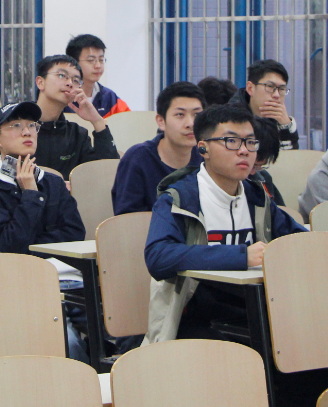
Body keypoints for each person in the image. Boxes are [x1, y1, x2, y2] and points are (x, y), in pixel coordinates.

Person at [144, 103, 307, 341]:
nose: (244, 151)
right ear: (203, 148)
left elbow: (299, 240)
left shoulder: (256, 197)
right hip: (197, 319)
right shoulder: (179, 199)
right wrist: (241, 256)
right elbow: (158, 256)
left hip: (258, 310)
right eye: (231, 141)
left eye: (250, 142)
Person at [0, 101, 88, 361]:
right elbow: (8, 248)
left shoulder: (52, 182)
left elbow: (74, 234)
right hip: (24, 287)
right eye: (16, 126)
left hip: (73, 283)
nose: (27, 132)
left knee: (122, 332)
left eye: (32, 125)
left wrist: (32, 244)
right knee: (69, 346)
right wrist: (30, 195)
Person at [0, 55, 119, 179]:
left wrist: (97, 121)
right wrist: (52, 185)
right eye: (62, 75)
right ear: (40, 82)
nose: (70, 83)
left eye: (76, 80)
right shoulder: (12, 125)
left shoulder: (77, 135)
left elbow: (106, 174)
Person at [111, 82, 205, 215]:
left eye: (197, 114)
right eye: (180, 114)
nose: (190, 123)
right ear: (161, 121)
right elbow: (129, 219)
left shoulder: (208, 157)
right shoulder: (137, 159)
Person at [66, 34, 130, 118]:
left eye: (101, 60)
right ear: (73, 63)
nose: (98, 66)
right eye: (91, 60)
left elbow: (128, 122)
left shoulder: (110, 97)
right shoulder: (63, 96)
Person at [241, 60, 300, 150]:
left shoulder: (280, 120)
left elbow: (290, 157)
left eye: (282, 89)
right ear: (250, 88)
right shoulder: (231, 118)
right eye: (270, 86)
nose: (276, 95)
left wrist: (285, 126)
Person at [249, 114, 286, 206]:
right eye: (252, 166)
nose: (253, 172)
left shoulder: (264, 178)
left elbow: (280, 211)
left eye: (259, 167)